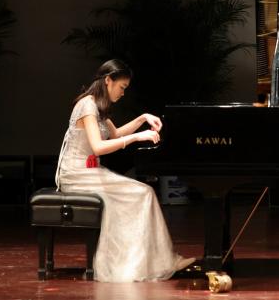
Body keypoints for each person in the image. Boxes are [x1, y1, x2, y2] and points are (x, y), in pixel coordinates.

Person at [55, 59, 195, 282]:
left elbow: (116, 134)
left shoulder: (97, 106)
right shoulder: (87, 105)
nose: (123, 93)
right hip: (76, 174)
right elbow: (98, 147)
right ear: (108, 80)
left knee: (143, 193)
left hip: (90, 172)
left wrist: (143, 118)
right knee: (143, 193)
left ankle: (156, 262)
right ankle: (142, 264)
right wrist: (138, 137)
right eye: (122, 87)